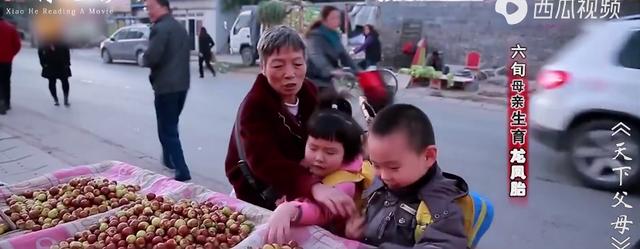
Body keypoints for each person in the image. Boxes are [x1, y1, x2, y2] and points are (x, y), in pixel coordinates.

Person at [225, 26, 357, 215]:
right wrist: (312, 187)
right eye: (278, 66)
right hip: (261, 191)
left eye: (297, 64)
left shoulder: (309, 90)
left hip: (304, 177)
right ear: (262, 67)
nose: (289, 74)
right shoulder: (254, 107)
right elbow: (264, 162)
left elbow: (329, 127)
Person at [345, 104, 469, 249]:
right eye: (376, 165)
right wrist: (357, 233)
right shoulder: (380, 183)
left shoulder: (441, 208)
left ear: (428, 156)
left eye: (394, 167)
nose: (384, 176)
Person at [265, 92, 367, 244]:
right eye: (313, 148)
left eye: (330, 152)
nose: (319, 157)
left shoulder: (346, 183)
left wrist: (290, 210)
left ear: (347, 154)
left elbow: (319, 211)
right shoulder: (312, 164)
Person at [143, 0, 192, 181]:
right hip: (181, 85)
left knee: (167, 129)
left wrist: (143, 58)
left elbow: (152, 57)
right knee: (171, 124)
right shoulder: (179, 28)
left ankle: (181, 170)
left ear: (162, 6)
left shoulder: (160, 28)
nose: (148, 11)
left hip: (166, 87)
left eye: (150, 7)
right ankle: (169, 159)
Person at [306, 5, 359, 93]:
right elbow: (316, 55)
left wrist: (357, 71)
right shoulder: (315, 36)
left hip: (327, 80)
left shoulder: (335, 36)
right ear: (324, 20)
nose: (337, 20)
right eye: (333, 18)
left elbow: (344, 56)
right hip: (314, 78)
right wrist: (330, 70)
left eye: (338, 17)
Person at [38, 40, 72, 106]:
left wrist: (67, 62)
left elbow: (66, 50)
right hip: (50, 63)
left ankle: (65, 98)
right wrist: (43, 63)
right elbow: (40, 52)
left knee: (64, 80)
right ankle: (55, 99)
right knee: (52, 81)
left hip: (62, 63)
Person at [0, 11, 22, 114]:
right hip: (6, 61)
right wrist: (10, 55)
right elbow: (17, 45)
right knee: (6, 82)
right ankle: (6, 103)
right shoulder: (11, 28)